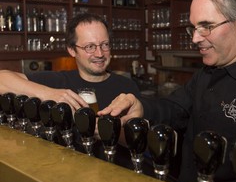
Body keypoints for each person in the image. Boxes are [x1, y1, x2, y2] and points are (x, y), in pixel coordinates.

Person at [98, 0, 236, 182]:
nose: (195, 38)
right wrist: (141, 106)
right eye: (194, 28)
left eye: (206, 26)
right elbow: (174, 108)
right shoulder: (207, 74)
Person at [0, 13, 141, 167]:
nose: (100, 53)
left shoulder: (126, 87)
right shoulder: (58, 81)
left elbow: (137, 141)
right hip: (64, 172)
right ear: (72, 50)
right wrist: (48, 93)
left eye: (105, 44)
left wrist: (111, 132)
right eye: (90, 47)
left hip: (115, 174)